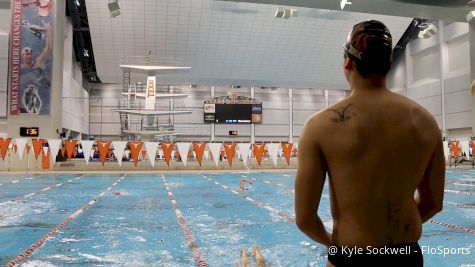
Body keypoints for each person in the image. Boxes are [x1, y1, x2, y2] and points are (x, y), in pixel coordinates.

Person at [295, 20, 445, 267]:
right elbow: (433, 203)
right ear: (387, 64)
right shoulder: (424, 120)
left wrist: (337, 245)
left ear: (347, 61)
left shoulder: (320, 126)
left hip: (350, 255)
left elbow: (305, 219)